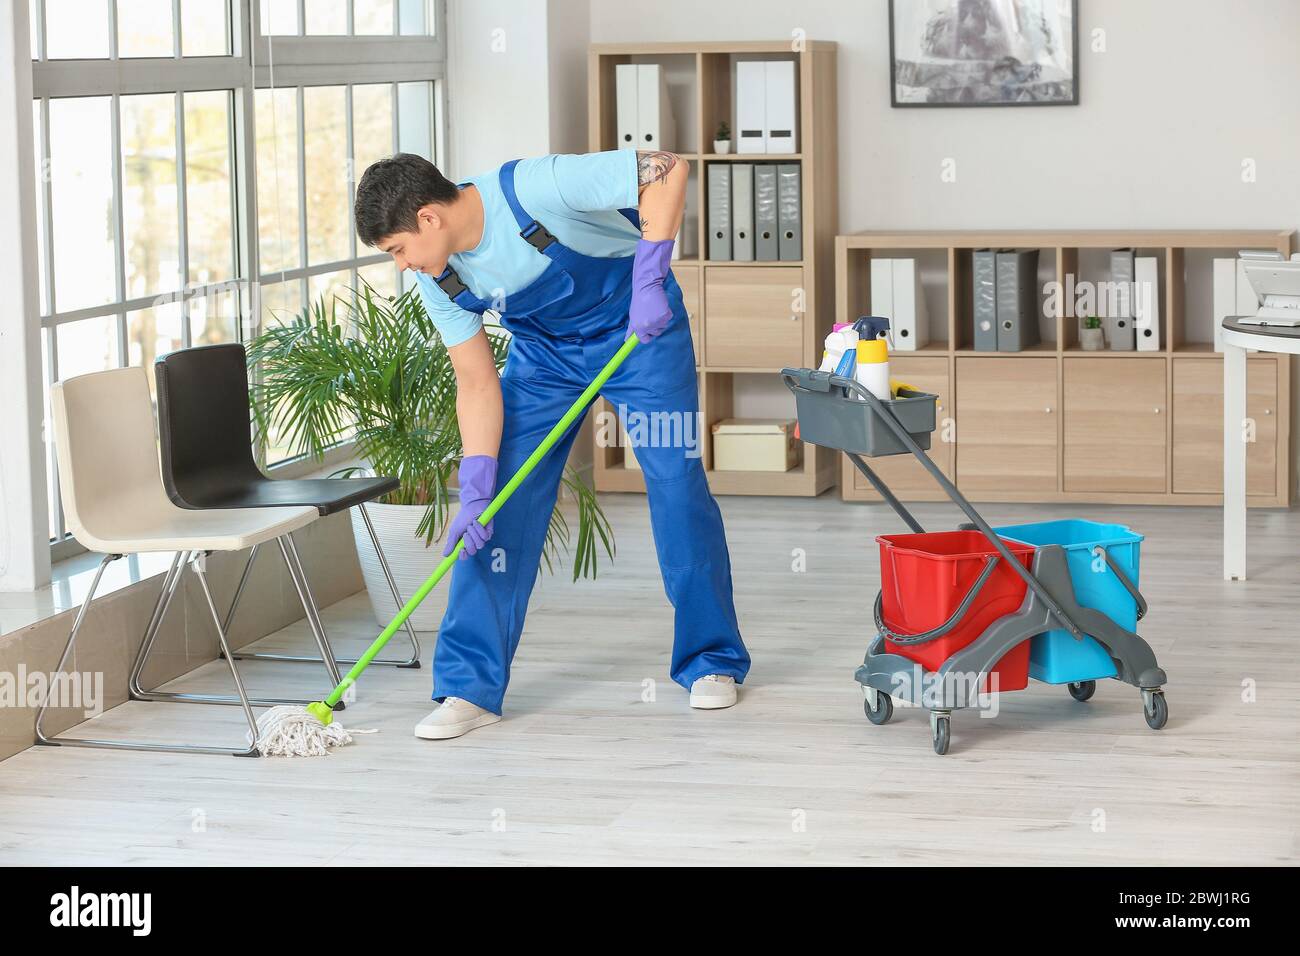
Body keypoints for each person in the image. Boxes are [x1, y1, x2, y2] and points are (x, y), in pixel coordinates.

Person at [353, 149, 749, 739]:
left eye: (398, 250)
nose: (404, 266)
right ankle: (469, 687)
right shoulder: (441, 279)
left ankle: (711, 661)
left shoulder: (534, 189)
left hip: (641, 335)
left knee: (675, 485)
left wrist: (649, 278)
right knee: (496, 511)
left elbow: (668, 169)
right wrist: (478, 477)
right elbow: (476, 382)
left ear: (429, 218)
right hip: (545, 362)